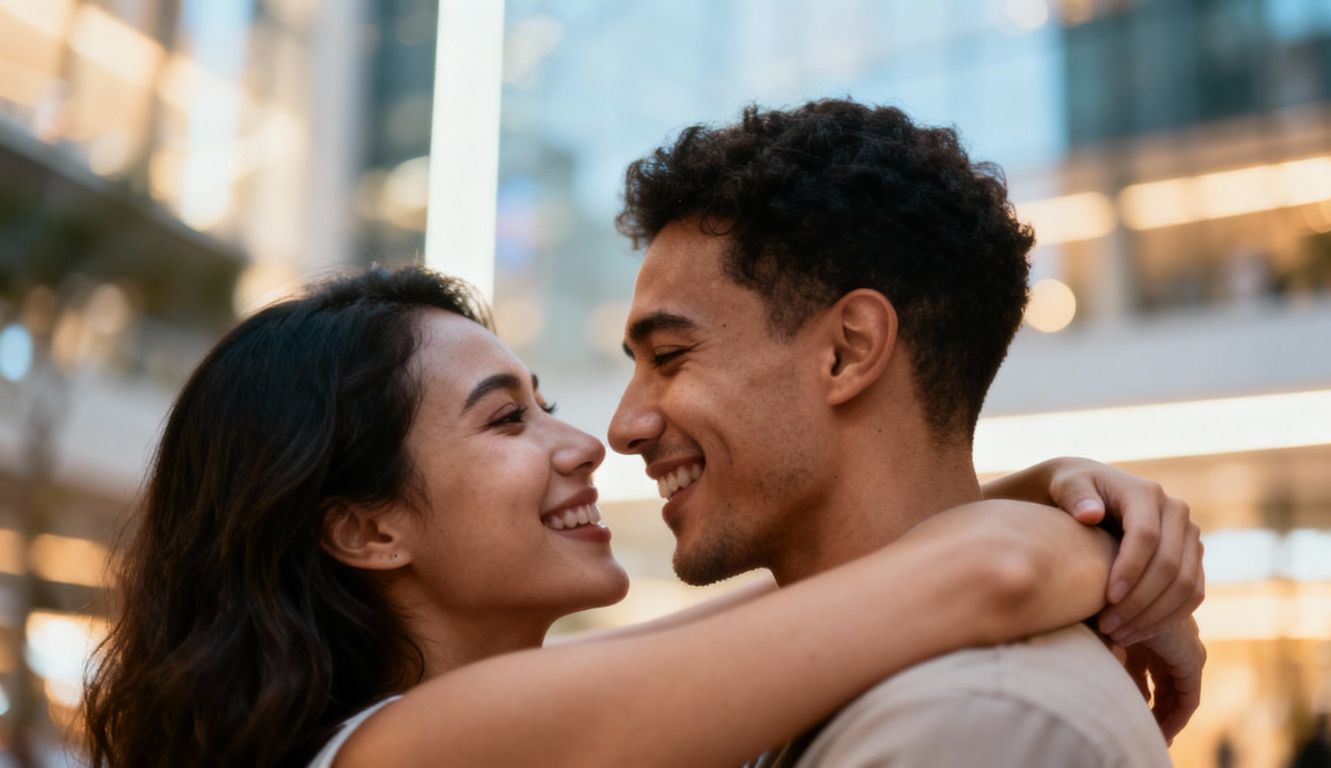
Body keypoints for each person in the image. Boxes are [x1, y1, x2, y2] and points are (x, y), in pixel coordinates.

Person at [83, 267, 1198, 767]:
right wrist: (1104, 539)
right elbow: (984, 576)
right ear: (367, 531)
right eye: (504, 420)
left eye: (545, 404)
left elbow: (811, 597)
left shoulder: (472, 721)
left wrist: (1058, 490)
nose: (586, 441)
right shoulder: (406, 750)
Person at [609, 99, 1204, 766]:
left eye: (667, 357)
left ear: (848, 351)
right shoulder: (843, 689)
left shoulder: (972, 725)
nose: (622, 428)